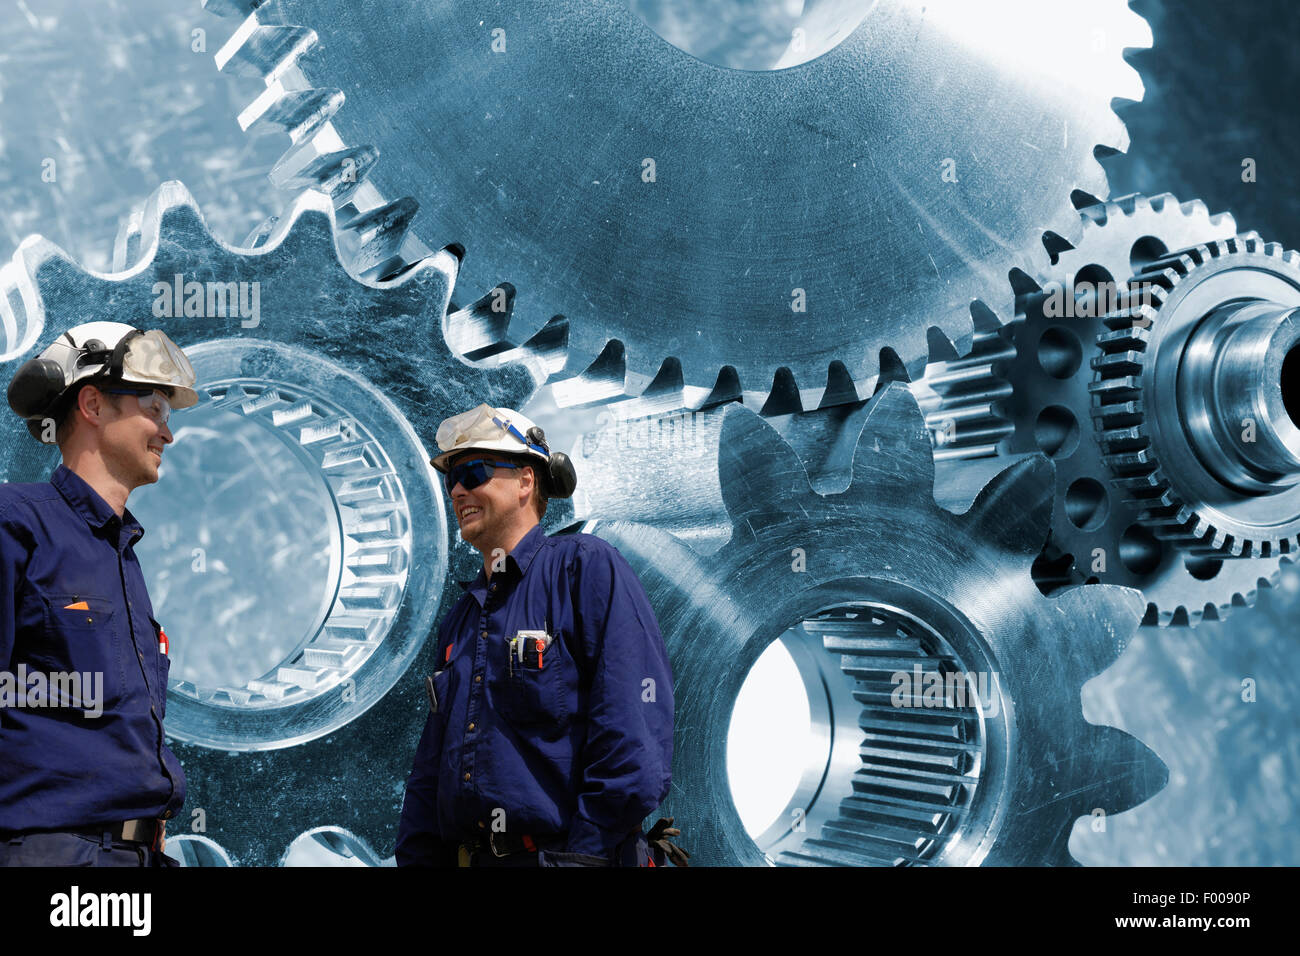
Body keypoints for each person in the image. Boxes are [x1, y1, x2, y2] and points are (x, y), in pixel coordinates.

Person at [395, 403, 680, 866]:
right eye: (451, 480)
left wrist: (581, 857)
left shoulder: (584, 569)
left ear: (527, 480)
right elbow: (430, 771)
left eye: (473, 472)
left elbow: (633, 737)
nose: (458, 491)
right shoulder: (460, 622)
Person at [0, 321, 198, 866]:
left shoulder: (121, 554)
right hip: (53, 856)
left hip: (134, 856)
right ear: (92, 403)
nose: (167, 432)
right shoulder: (15, 522)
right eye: (154, 409)